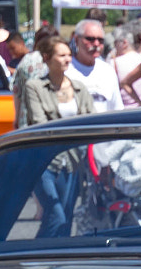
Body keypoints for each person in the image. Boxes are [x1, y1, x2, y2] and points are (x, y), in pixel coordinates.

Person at [17, 37, 94, 236]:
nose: (68, 59)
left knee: (66, 219)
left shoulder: (79, 88)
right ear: (47, 58)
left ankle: (51, 260)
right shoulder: (35, 87)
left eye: (69, 54)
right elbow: (41, 124)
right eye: (62, 55)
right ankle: (34, 257)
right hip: (45, 162)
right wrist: (75, 131)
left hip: (73, 162)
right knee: (55, 213)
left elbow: (92, 122)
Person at [70, 18, 122, 114]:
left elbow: (117, 109)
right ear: (77, 40)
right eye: (90, 39)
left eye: (101, 40)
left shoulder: (108, 71)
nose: (96, 44)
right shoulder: (66, 70)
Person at [11, 24, 57, 127]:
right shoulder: (60, 59)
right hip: (54, 121)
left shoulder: (27, 59)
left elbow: (17, 90)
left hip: (28, 121)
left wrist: (17, 118)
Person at [112, 23, 141, 106]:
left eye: (115, 43)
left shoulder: (113, 63)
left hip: (125, 109)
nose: (114, 47)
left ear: (124, 43)